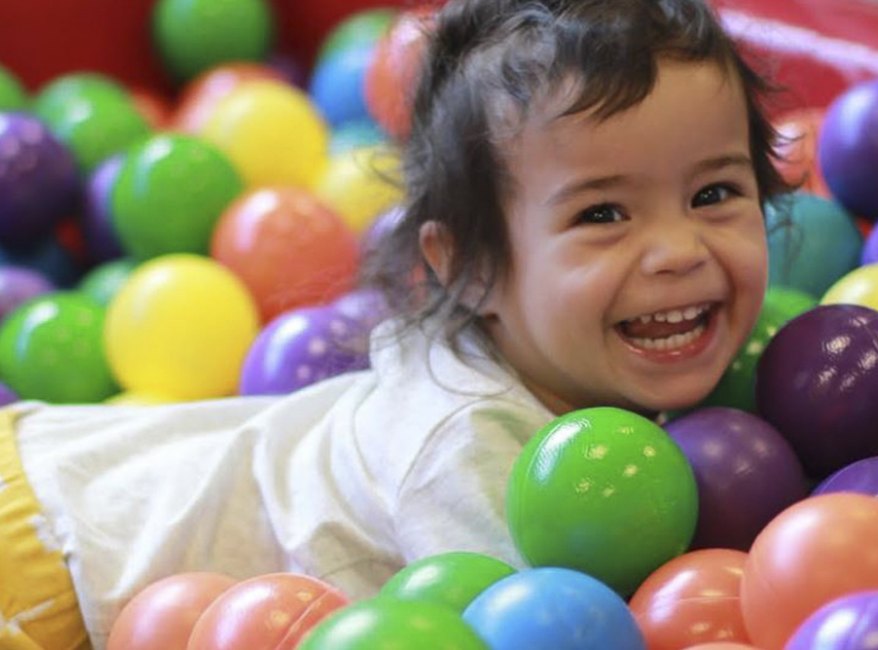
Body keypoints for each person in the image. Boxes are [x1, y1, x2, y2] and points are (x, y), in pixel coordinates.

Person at [0, 0, 791, 647]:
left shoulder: (596, 363)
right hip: (55, 571)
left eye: (714, 194)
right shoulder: (469, 452)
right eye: (604, 213)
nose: (677, 252)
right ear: (471, 267)